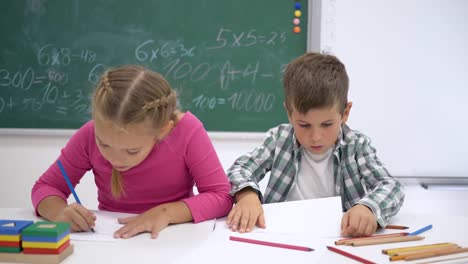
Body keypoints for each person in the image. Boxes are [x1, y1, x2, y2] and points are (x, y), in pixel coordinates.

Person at [31, 65, 233, 239]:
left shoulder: (187, 131)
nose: (114, 159)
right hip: (115, 239)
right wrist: (59, 212)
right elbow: (46, 187)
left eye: (132, 150)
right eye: (104, 144)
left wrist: (167, 212)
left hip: (173, 238)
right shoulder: (89, 135)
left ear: (162, 131)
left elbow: (221, 197)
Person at [226, 52, 405, 237]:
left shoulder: (356, 145)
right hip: (283, 236)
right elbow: (240, 169)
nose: (316, 137)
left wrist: (368, 208)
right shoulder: (280, 139)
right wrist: (247, 194)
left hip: (338, 238)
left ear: (345, 113)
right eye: (304, 125)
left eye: (327, 124)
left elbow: (391, 186)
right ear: (289, 113)